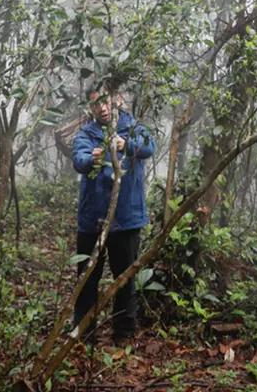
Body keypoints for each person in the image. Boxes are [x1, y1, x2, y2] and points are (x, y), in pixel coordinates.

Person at [71, 85, 156, 345]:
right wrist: (92, 158)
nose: (102, 108)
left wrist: (125, 144)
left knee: (124, 279)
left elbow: (148, 146)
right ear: (91, 107)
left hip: (126, 217)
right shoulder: (87, 132)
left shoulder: (133, 127)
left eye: (106, 101)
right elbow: (79, 157)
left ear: (117, 99)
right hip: (92, 219)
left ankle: (124, 333)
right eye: (96, 104)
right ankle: (85, 334)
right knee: (86, 278)